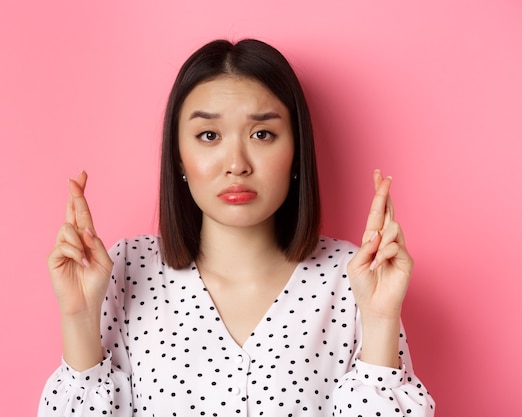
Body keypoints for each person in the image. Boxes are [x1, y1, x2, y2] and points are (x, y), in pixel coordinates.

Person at [38, 39, 435, 416]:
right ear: (178, 157)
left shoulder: (353, 276)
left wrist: (381, 319)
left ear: (296, 152)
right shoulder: (127, 268)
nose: (236, 164)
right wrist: (78, 316)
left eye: (262, 134)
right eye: (208, 135)